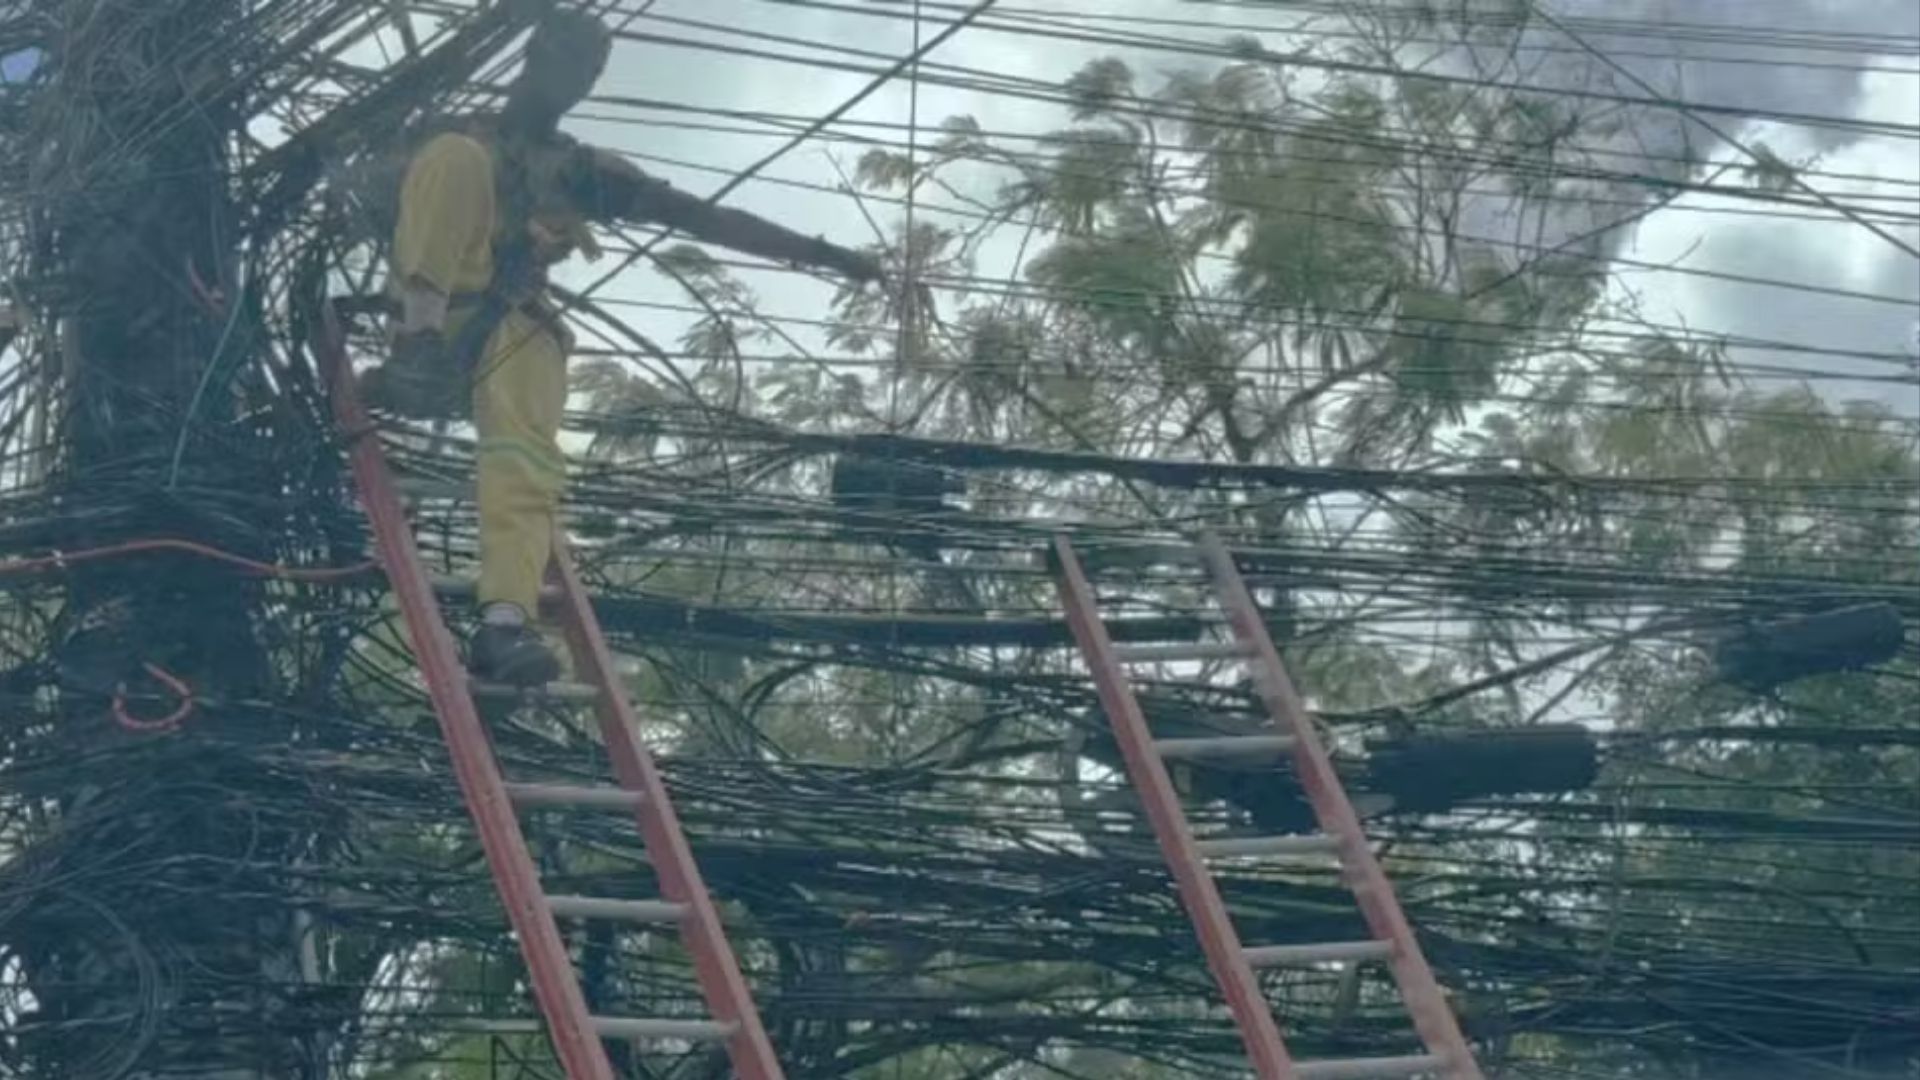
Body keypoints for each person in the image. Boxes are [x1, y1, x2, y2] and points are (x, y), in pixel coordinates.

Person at [360, 9, 881, 685]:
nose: (575, 80)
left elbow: (700, 216)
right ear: (533, 55)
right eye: (567, 60)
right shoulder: (451, 139)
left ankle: (505, 625)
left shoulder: (582, 171)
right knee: (456, 158)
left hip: (503, 330)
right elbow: (375, 196)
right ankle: (417, 350)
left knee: (528, 454)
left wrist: (821, 253)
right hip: (435, 314)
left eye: (590, 70)